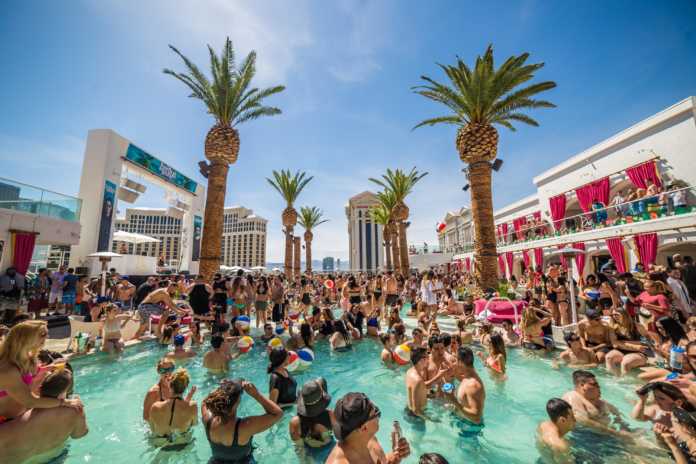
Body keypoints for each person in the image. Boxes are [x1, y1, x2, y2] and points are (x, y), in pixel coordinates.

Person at [0, 321, 82, 423]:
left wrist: (46, 368)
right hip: (4, 422)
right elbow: (30, 401)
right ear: (26, 338)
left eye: (47, 333)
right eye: (42, 334)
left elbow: (27, 378)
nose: (47, 337)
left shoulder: (26, 358)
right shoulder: (7, 370)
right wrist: (64, 402)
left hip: (19, 417)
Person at [0, 369, 88, 464]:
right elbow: (79, 434)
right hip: (56, 458)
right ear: (64, 392)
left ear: (39, 389)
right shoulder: (74, 411)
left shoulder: (10, 427)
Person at [202, 379, 283, 464]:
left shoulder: (207, 420)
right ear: (237, 403)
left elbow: (205, 402)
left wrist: (221, 388)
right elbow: (278, 414)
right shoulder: (244, 427)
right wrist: (256, 394)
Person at [326, 392, 410, 464]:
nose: (378, 416)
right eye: (376, 413)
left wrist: (396, 455)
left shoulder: (369, 438)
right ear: (364, 428)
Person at [562, 370, 632, 438]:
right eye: (594, 384)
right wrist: (615, 433)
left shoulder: (598, 401)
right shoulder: (572, 396)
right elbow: (582, 420)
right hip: (587, 438)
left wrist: (624, 428)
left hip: (606, 435)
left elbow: (617, 414)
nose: (598, 387)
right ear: (582, 385)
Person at [148, 368, 197, 450]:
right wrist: (188, 399)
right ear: (185, 387)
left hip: (161, 445)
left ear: (170, 385)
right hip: (183, 443)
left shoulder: (155, 407)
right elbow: (194, 424)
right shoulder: (192, 406)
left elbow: (152, 429)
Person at [290, 377, 335, 455]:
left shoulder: (295, 423)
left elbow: (299, 449)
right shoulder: (330, 415)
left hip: (310, 453)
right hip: (330, 452)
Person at [448, 347, 485, 434]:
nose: (455, 363)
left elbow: (476, 417)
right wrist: (454, 372)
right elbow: (464, 382)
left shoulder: (473, 385)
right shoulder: (469, 376)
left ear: (460, 362)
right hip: (466, 425)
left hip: (469, 430)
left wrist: (454, 401)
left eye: (455, 361)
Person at [405, 347, 447, 420]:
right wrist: (431, 419)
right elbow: (416, 411)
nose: (429, 359)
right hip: (416, 416)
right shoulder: (418, 379)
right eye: (427, 357)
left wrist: (428, 395)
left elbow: (417, 390)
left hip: (409, 410)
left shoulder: (410, 371)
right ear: (422, 360)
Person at [536, 398, 576, 462]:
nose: (575, 420)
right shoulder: (561, 446)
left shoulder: (542, 425)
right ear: (562, 420)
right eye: (572, 417)